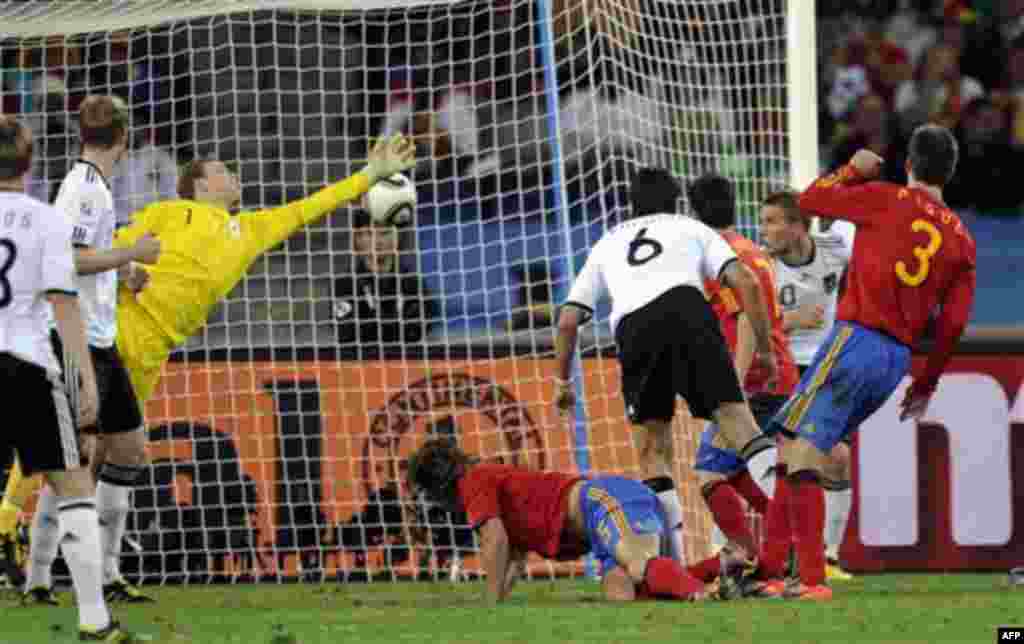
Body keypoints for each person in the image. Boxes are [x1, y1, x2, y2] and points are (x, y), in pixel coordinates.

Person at [4, 133, 417, 603]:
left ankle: (101, 573)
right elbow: (101, 249)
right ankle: (25, 552)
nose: (234, 176)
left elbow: (310, 207)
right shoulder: (165, 213)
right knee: (76, 450)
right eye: (222, 170)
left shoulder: (251, 229)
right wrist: (126, 269)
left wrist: (367, 176)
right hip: (114, 333)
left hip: (154, 351)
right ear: (198, 185)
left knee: (119, 457)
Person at [758, 126, 977, 601]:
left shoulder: (887, 198)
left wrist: (852, 172)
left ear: (910, 165)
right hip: (895, 360)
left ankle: (807, 579)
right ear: (949, 172)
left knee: (796, 449)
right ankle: (776, 573)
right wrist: (925, 386)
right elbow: (952, 326)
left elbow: (812, 201)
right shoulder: (962, 239)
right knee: (801, 448)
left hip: (855, 339)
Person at [553, 167, 778, 568]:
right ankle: (791, 541)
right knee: (742, 427)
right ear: (676, 202)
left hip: (636, 330)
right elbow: (744, 280)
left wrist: (561, 382)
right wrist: (765, 349)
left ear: (630, 205)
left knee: (652, 450)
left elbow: (568, 320)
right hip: (690, 314)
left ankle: (668, 567)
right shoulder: (692, 228)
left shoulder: (609, 241)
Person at [16, 95, 162, 607]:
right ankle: (38, 577)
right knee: (74, 462)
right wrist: (133, 253)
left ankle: (105, 571)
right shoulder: (82, 187)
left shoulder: (92, 185)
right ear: (124, 139)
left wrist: (124, 270)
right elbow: (70, 258)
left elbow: (83, 249)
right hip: (73, 336)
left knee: (126, 450)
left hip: (100, 337)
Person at [0, 115, 133, 641]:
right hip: (29, 365)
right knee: (74, 484)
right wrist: (84, 376)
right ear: (30, 164)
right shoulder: (46, 220)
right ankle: (95, 621)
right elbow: (63, 299)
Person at [406, 438, 706, 603]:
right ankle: (726, 565)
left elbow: (494, 541)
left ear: (440, 484)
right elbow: (513, 561)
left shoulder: (472, 482)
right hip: (597, 527)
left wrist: (489, 602)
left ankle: (702, 592)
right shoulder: (488, 486)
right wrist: (497, 601)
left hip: (605, 501)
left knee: (639, 566)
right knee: (624, 595)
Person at [683, 174, 799, 592]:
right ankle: (777, 545)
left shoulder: (722, 257)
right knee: (734, 471)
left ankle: (754, 551)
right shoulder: (753, 251)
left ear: (693, 214)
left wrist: (734, 382)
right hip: (776, 375)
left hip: (754, 382)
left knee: (709, 473)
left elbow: (746, 319)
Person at [759, 191, 857, 581]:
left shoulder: (836, 246)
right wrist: (790, 320)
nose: (764, 230)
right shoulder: (759, 266)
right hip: (780, 368)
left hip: (825, 366)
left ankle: (828, 559)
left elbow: (862, 217)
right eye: (763, 220)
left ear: (799, 226)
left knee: (837, 459)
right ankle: (767, 554)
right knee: (780, 464)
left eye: (772, 221)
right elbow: (744, 323)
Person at [334, 209, 438, 351]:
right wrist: (396, 323)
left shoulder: (411, 281)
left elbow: (418, 330)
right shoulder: (345, 283)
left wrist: (373, 322)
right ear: (357, 239)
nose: (377, 241)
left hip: (404, 361)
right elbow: (347, 333)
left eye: (384, 233)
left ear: (396, 237)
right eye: (370, 234)